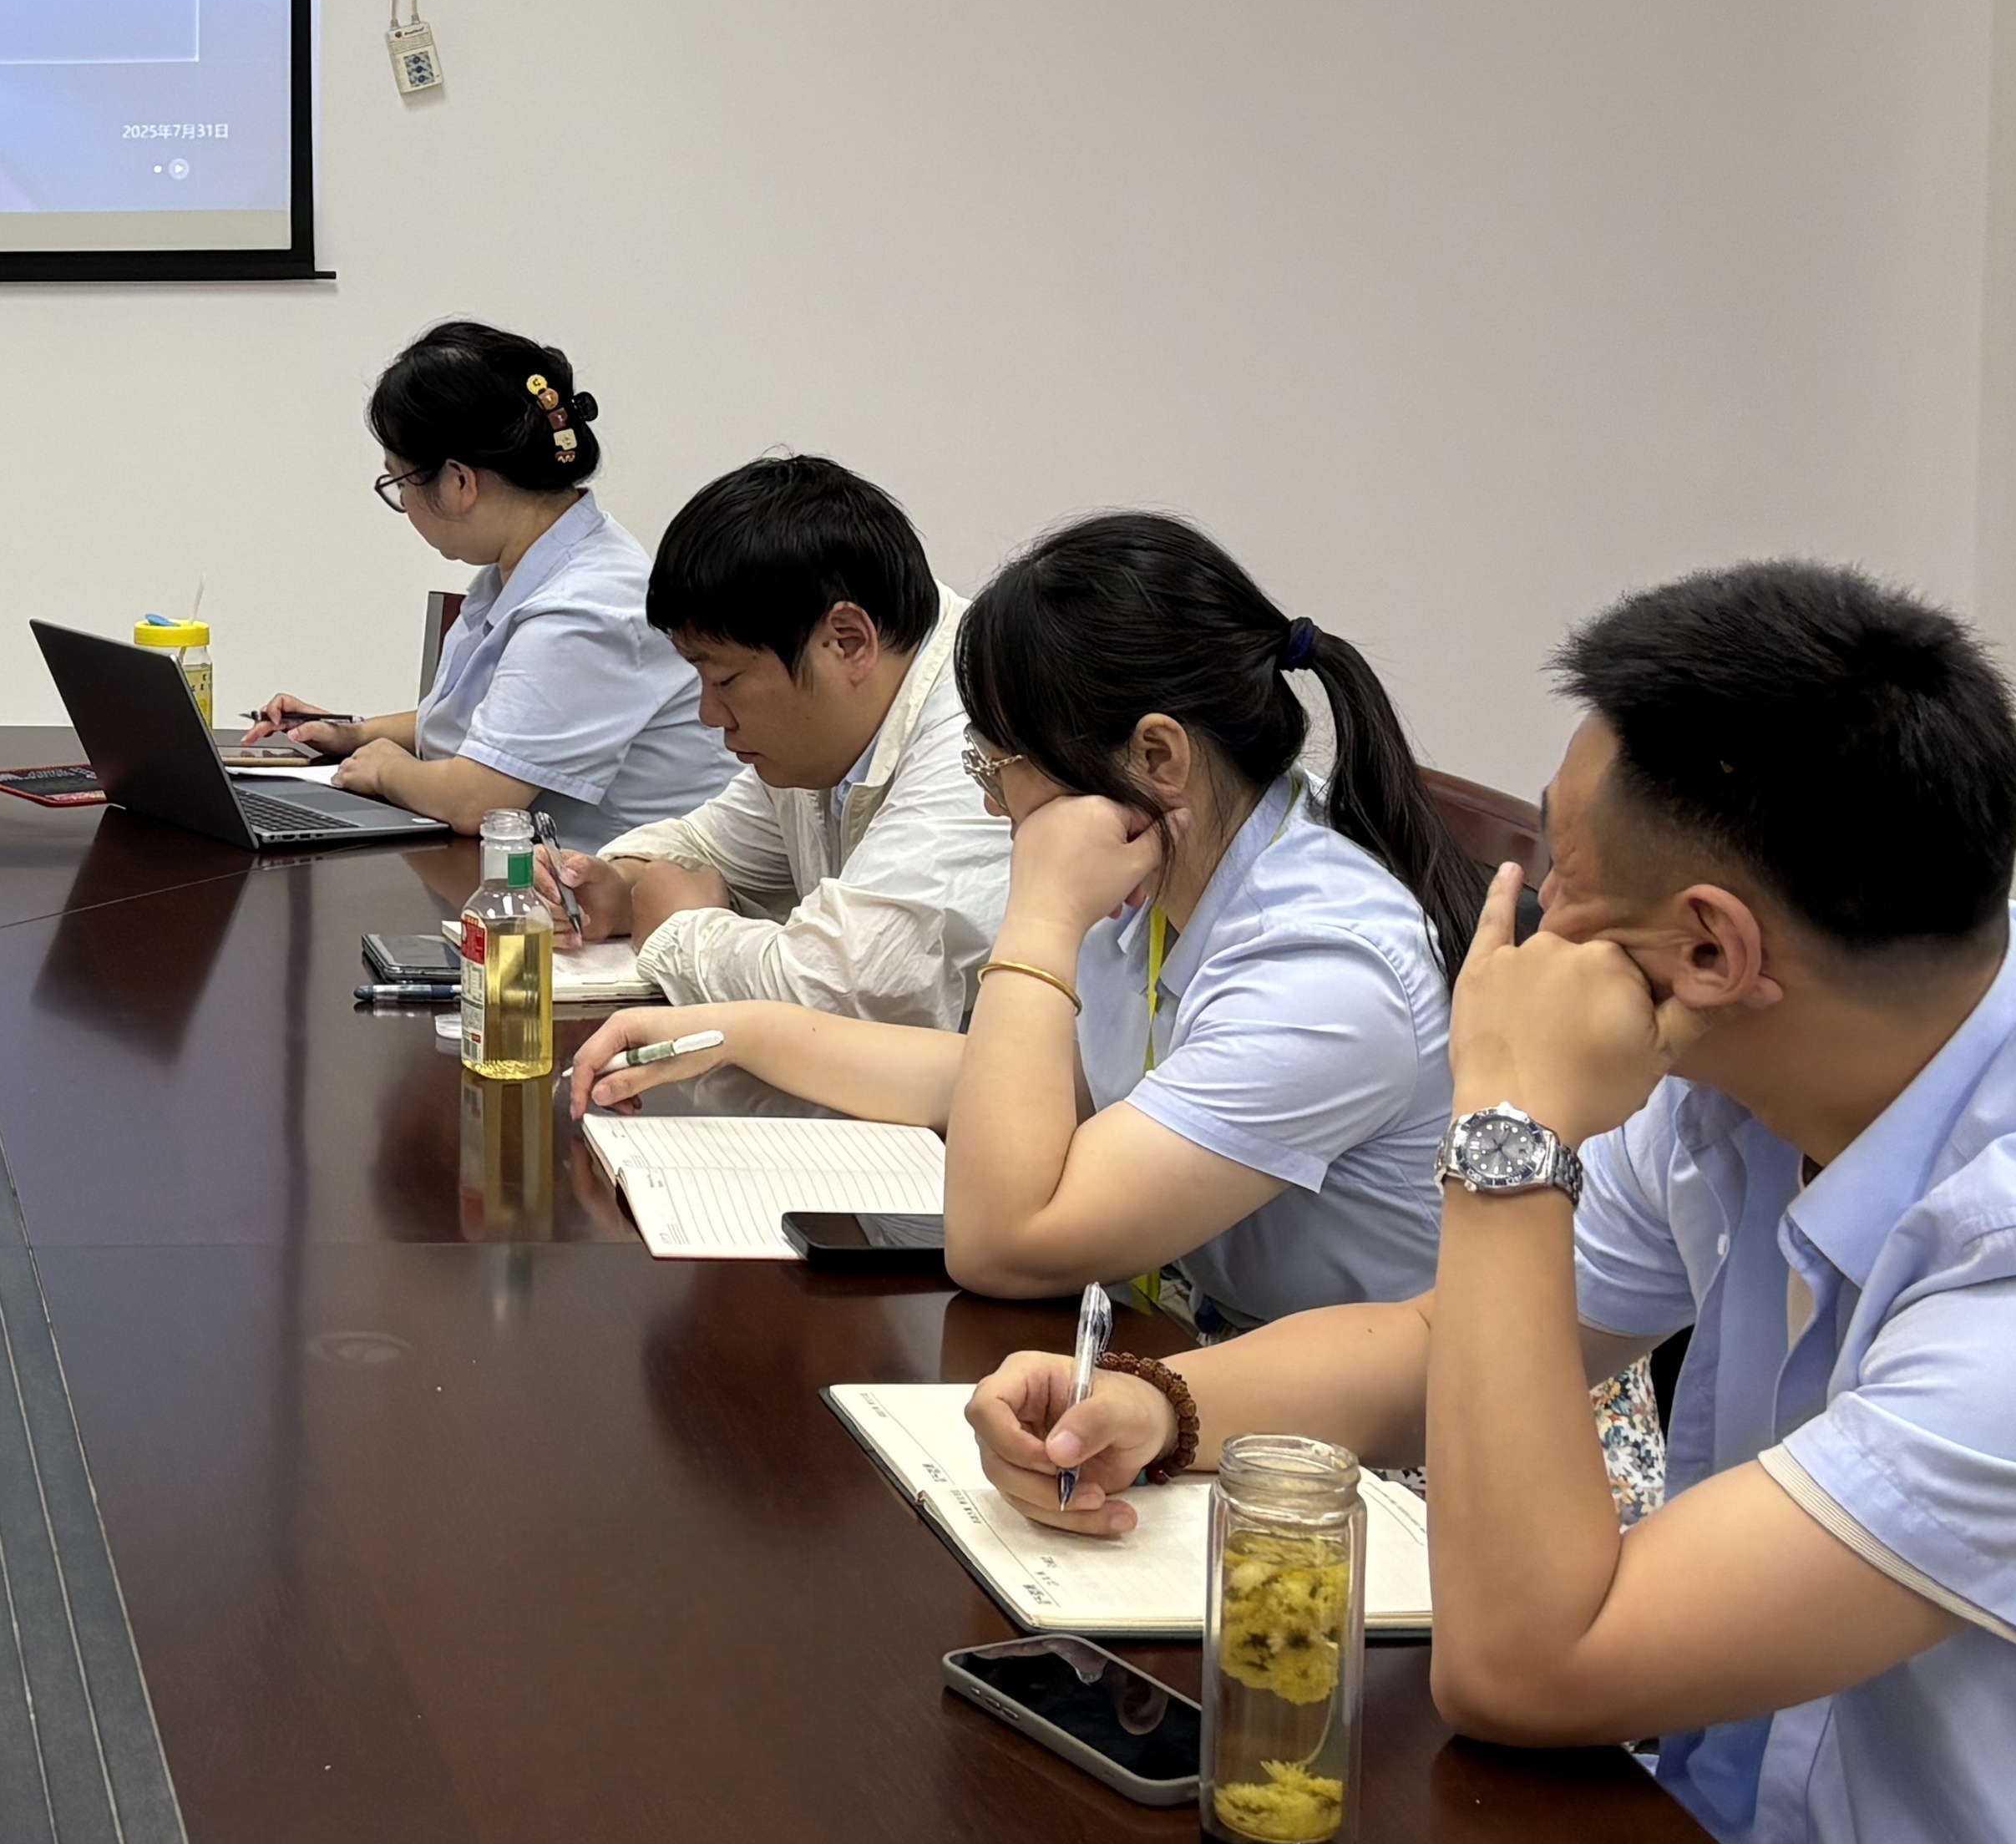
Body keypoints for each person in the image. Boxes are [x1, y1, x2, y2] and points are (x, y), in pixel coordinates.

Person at [964, 564, 2016, 1844]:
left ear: (1710, 949)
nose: (1529, 930)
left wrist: (1507, 1120)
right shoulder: (1783, 1052)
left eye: (1559, 880)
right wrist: (1163, 1405)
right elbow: (1441, 1342)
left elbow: (1534, 1664)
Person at [569, 510, 1468, 1330]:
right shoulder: (1180, 868)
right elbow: (1019, 1085)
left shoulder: (1321, 969)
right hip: (1201, 1344)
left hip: (1352, 1434)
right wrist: (734, 1033)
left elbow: (1004, 1243)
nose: (993, 805)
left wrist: (1041, 915)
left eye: (998, 769)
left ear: (1157, 757)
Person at [544, 456, 1005, 1068]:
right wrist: (619, 884)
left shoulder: (984, 730)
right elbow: (706, 846)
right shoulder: (830, 732)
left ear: (847, 641)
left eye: (726, 680)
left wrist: (677, 929)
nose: (710, 714)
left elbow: (853, 990)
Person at [239, 321, 732, 853]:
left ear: (459, 481)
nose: (404, 504)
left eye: (400, 482)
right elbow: (485, 723)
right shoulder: (535, 563)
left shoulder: (587, 607)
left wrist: (385, 769)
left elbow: (476, 800)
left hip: (634, 885)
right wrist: (355, 733)